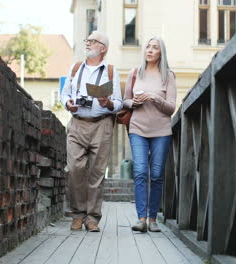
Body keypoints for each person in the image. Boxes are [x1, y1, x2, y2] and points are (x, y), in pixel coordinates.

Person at [60, 31, 122, 231]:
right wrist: (67, 103)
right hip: (77, 122)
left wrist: (108, 102)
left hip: (102, 124)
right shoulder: (76, 67)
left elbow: (119, 104)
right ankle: (77, 214)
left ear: (103, 48)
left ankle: (92, 218)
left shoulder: (111, 71)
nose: (87, 43)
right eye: (87, 40)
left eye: (92, 41)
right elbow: (64, 94)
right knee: (74, 169)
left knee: (97, 173)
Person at [122, 37, 176, 232]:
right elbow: (124, 101)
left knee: (156, 174)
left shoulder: (168, 76)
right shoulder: (135, 73)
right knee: (140, 172)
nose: (150, 50)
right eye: (148, 46)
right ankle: (141, 218)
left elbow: (171, 108)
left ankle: (153, 219)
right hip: (137, 129)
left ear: (161, 52)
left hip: (161, 131)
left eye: (155, 47)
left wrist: (154, 97)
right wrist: (134, 103)